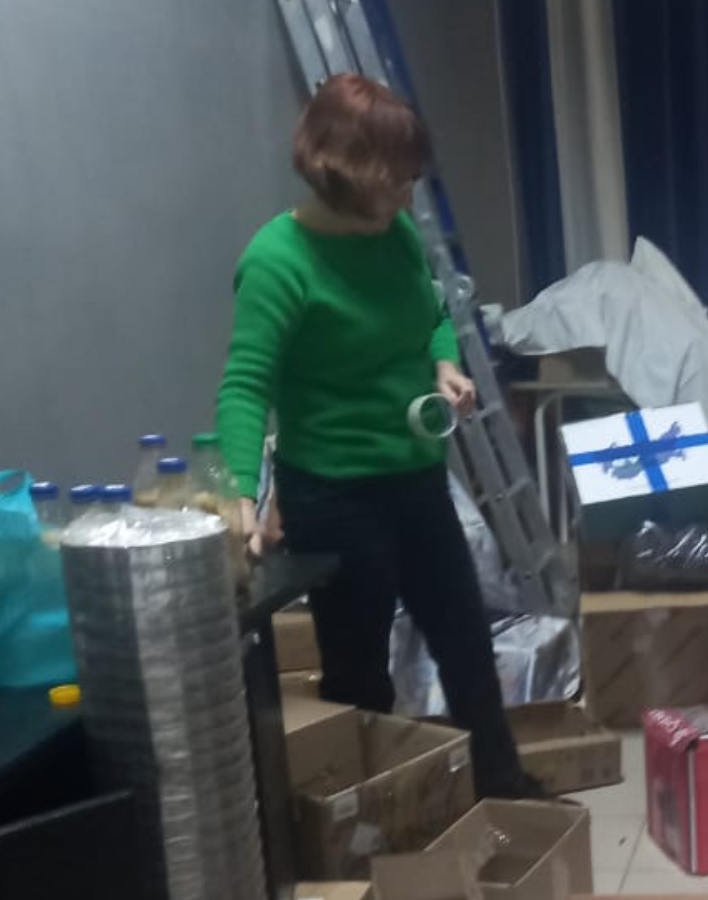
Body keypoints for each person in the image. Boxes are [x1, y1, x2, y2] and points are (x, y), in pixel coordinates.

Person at [217, 73, 537, 798]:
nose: (404, 198)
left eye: (408, 181)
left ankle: (504, 788)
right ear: (339, 174)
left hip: (416, 478)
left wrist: (445, 362)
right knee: (361, 674)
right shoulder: (277, 262)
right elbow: (245, 386)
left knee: (465, 642)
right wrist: (238, 492)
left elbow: (431, 310)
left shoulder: (395, 236)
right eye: (391, 183)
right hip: (332, 494)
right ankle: (369, 820)